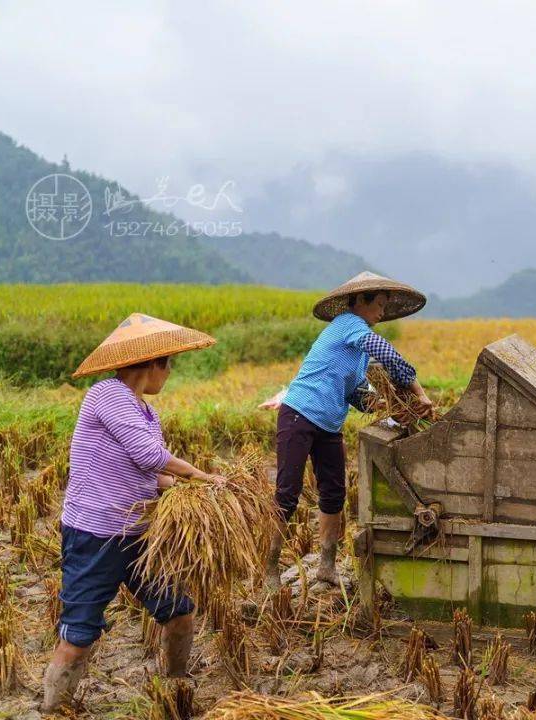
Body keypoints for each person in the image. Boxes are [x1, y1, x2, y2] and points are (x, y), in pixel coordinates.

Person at [42, 313, 225, 712]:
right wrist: (199, 475)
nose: (169, 373)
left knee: (179, 612)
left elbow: (142, 469)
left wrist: (178, 488)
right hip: (96, 534)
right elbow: (148, 455)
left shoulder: (145, 411)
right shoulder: (106, 394)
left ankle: (176, 685)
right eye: (169, 364)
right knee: (79, 636)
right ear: (154, 364)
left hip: (140, 534)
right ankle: (52, 708)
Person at [265, 272, 433, 591]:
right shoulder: (348, 325)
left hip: (329, 425)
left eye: (385, 306)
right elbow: (388, 355)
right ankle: (270, 569)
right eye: (379, 305)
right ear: (360, 302)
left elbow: (358, 395)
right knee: (287, 494)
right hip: (299, 415)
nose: (382, 313)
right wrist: (419, 391)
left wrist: (390, 405)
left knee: (334, 495)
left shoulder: (357, 351)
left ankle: (327, 567)